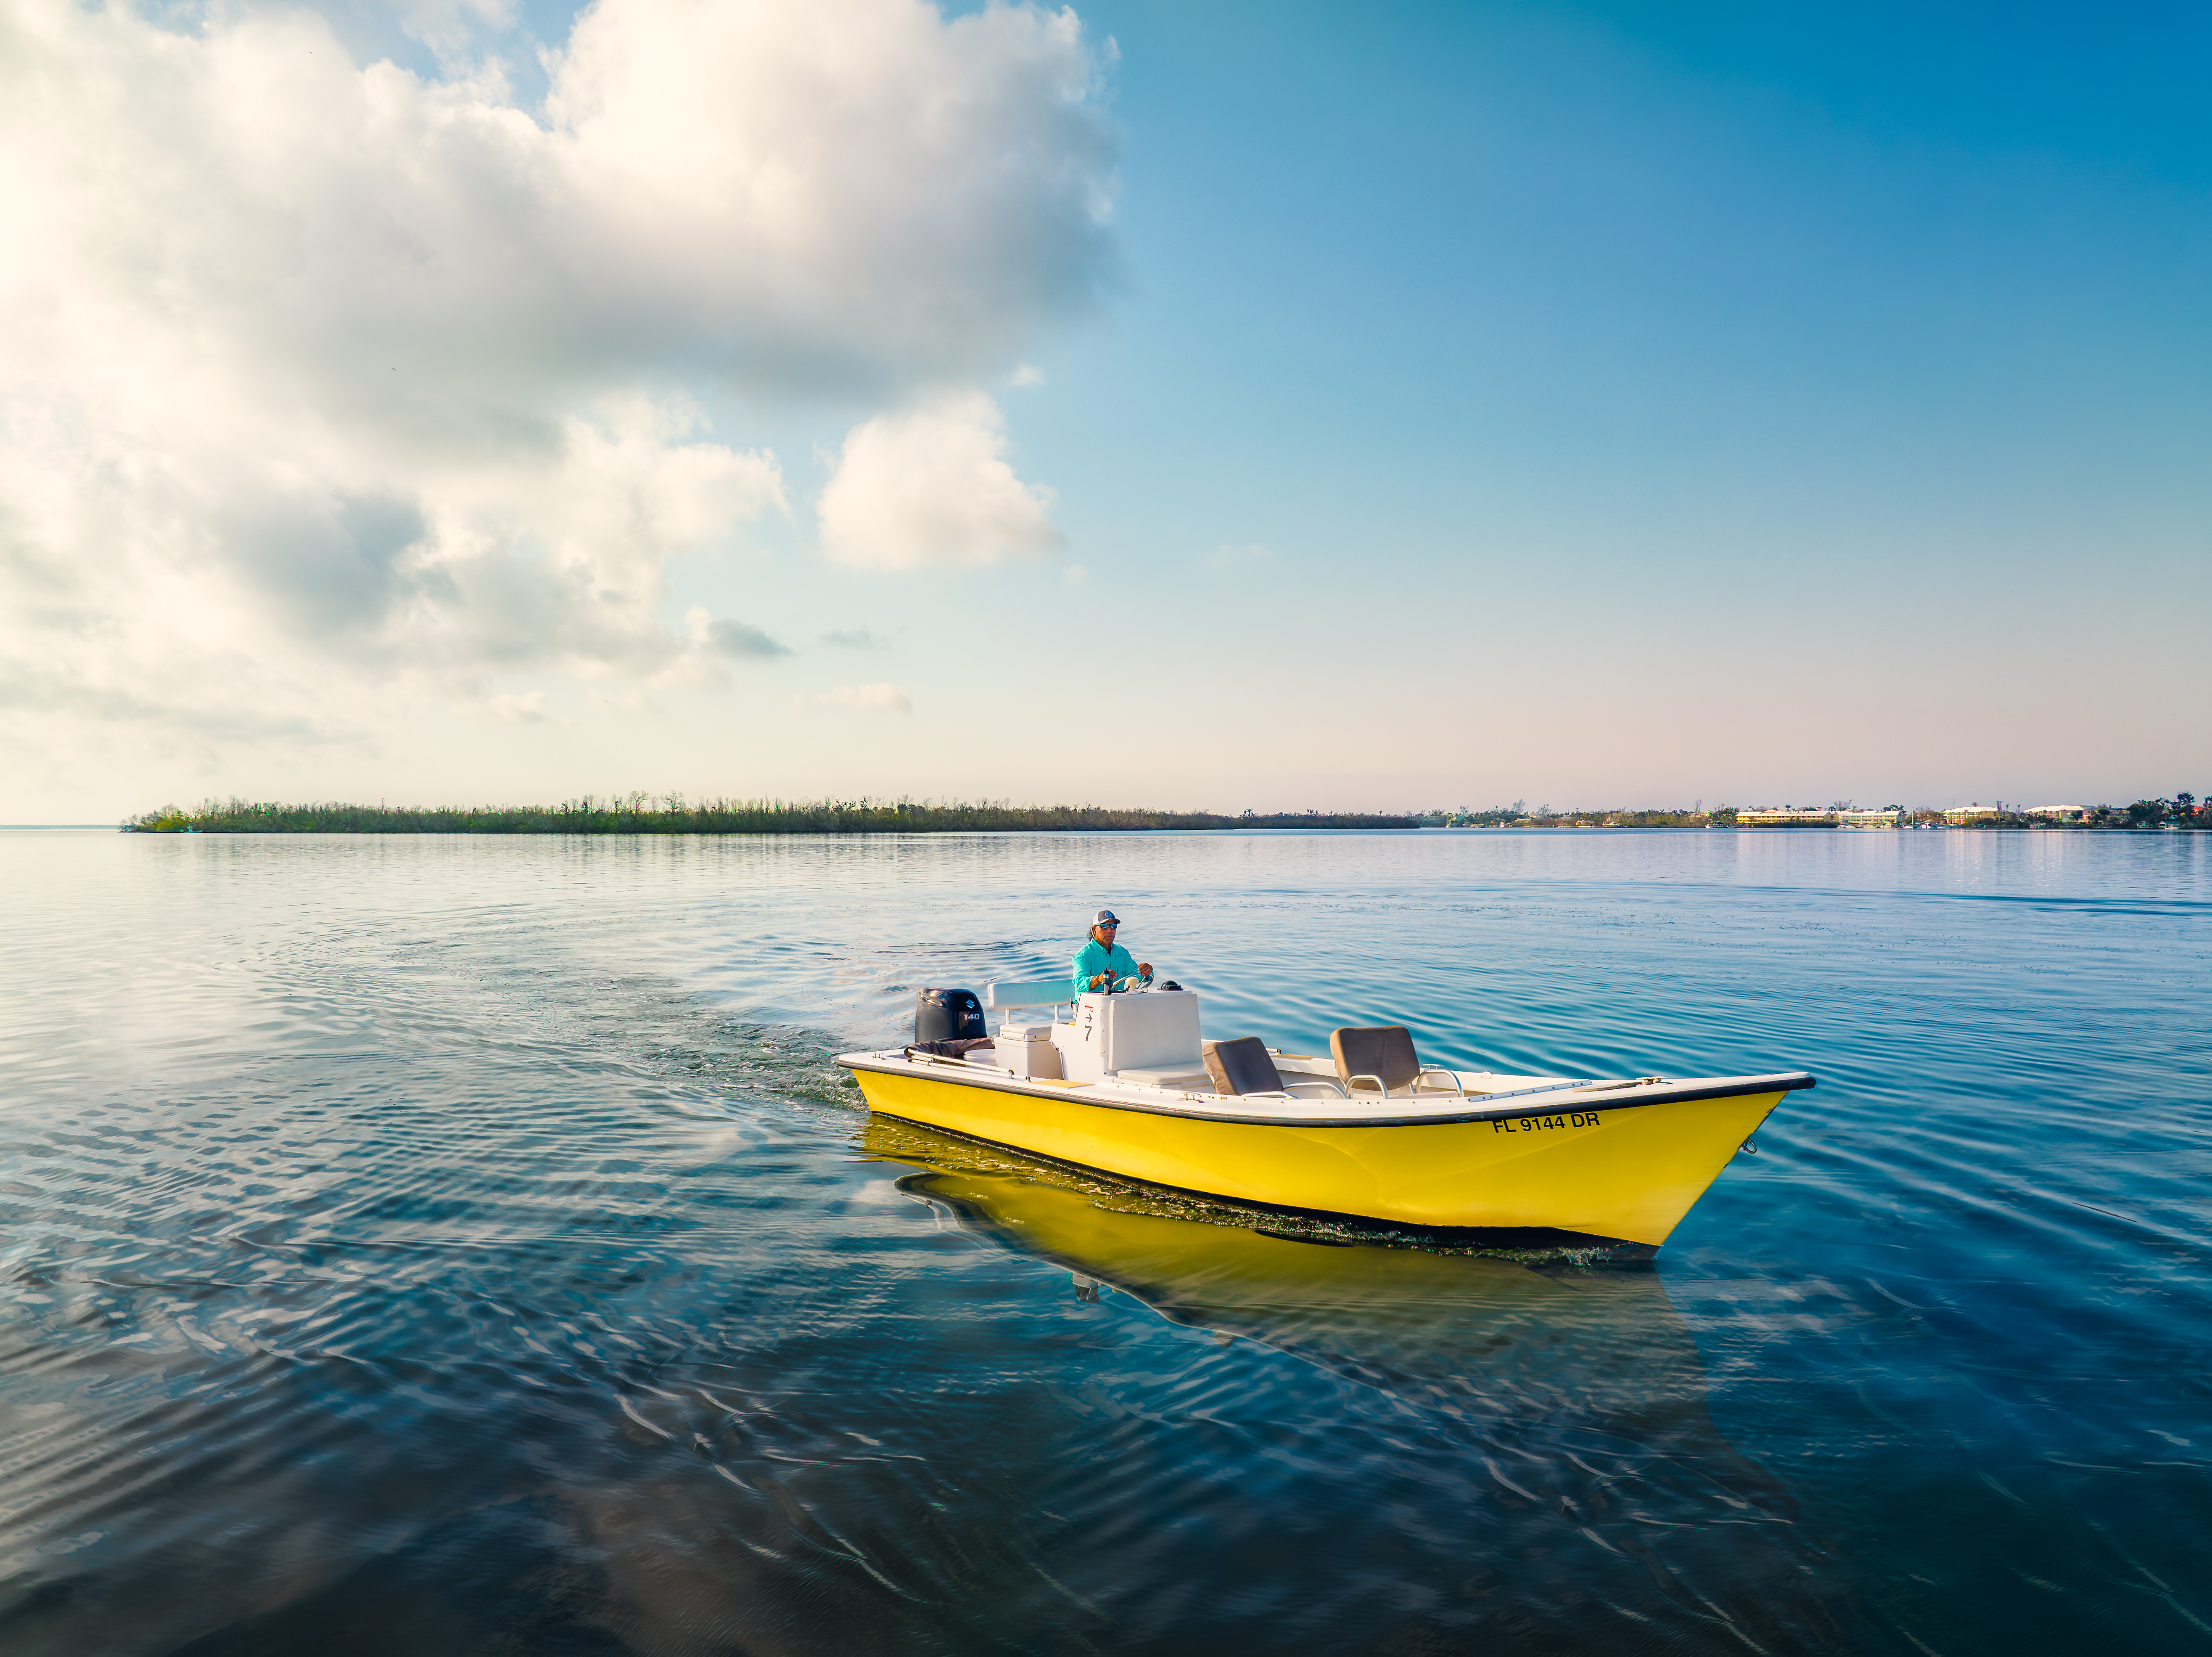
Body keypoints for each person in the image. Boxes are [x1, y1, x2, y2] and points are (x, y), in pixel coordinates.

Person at [1071, 910, 1150, 998]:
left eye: (1113, 926)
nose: (1110, 930)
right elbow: (1079, 983)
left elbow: (1136, 974)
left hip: (1117, 1004)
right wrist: (1099, 979)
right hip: (1088, 1008)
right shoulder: (1083, 955)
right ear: (1094, 930)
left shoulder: (1122, 953)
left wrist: (1146, 972)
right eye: (1104, 926)